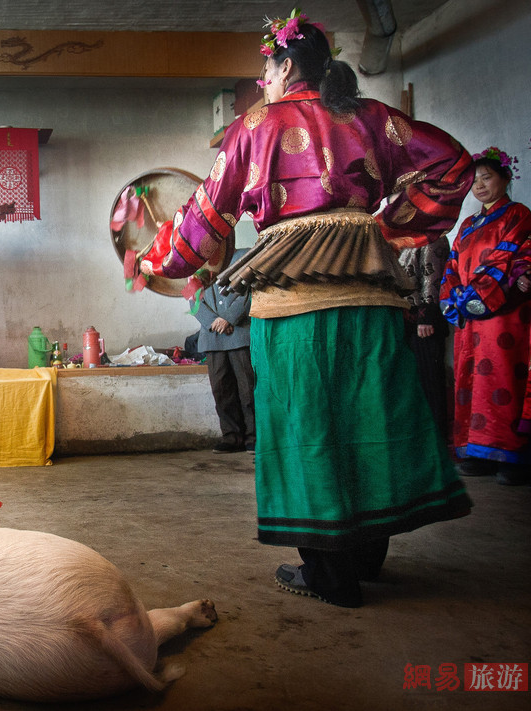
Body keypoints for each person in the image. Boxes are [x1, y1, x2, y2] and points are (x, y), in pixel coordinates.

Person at [139, 9, 473, 608]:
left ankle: (329, 574)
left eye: (266, 68)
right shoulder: (372, 117)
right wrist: (384, 227)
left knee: (306, 427)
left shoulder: (256, 125)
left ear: (286, 65)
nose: (263, 80)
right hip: (370, 302)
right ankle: (367, 559)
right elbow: (453, 163)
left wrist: (155, 262)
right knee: (370, 420)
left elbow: (204, 219)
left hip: (293, 307)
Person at [440, 146, 531, 485]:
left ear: (506, 179)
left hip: (503, 315)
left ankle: (512, 457)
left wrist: (478, 295)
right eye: (474, 181)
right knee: (470, 381)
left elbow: (510, 259)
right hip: (470, 316)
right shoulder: (468, 223)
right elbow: (452, 265)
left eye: (487, 178)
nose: (479, 185)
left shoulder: (518, 216)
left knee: (503, 379)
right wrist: (453, 299)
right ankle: (476, 451)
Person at [194, 248, 255, 453]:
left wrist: (229, 318)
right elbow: (192, 302)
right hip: (212, 338)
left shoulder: (243, 256)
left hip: (239, 335)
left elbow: (249, 292)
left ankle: (253, 437)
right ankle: (231, 437)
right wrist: (213, 322)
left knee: (248, 390)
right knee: (221, 390)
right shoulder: (195, 266)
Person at [399, 236, 451, 440]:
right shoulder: (402, 239)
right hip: (404, 321)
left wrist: (426, 316)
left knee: (430, 380)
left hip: (423, 321)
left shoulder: (433, 238)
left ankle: (436, 437)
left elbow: (434, 279)